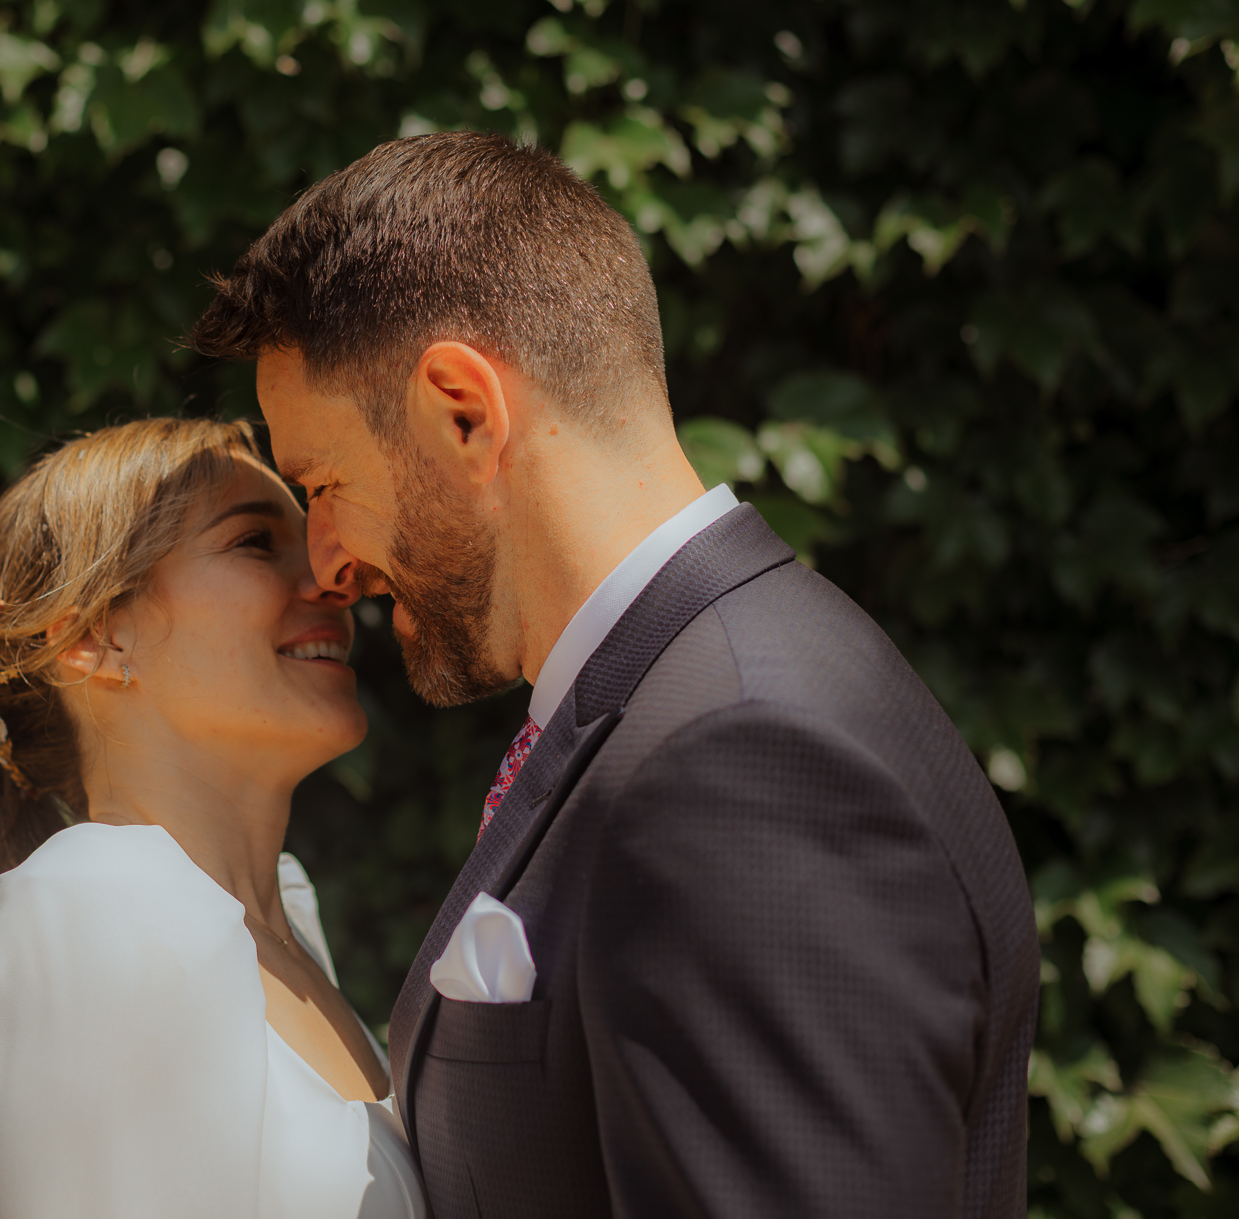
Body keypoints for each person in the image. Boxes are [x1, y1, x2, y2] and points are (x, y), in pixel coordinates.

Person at [191, 131, 1040, 1218]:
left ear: (463, 410)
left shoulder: (743, 759)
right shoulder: (692, 693)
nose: (326, 564)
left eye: (324, 482)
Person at [0, 417, 427, 1218]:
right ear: (91, 638)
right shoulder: (97, 906)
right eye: (256, 541)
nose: (338, 575)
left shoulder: (281, 922)